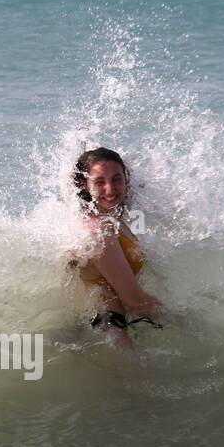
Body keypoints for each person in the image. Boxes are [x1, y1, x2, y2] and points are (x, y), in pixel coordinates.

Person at [68, 147, 165, 347]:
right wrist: (186, 318)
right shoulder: (98, 231)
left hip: (117, 325)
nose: (110, 190)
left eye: (116, 179)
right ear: (85, 186)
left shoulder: (112, 219)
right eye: (99, 182)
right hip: (109, 331)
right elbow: (134, 301)